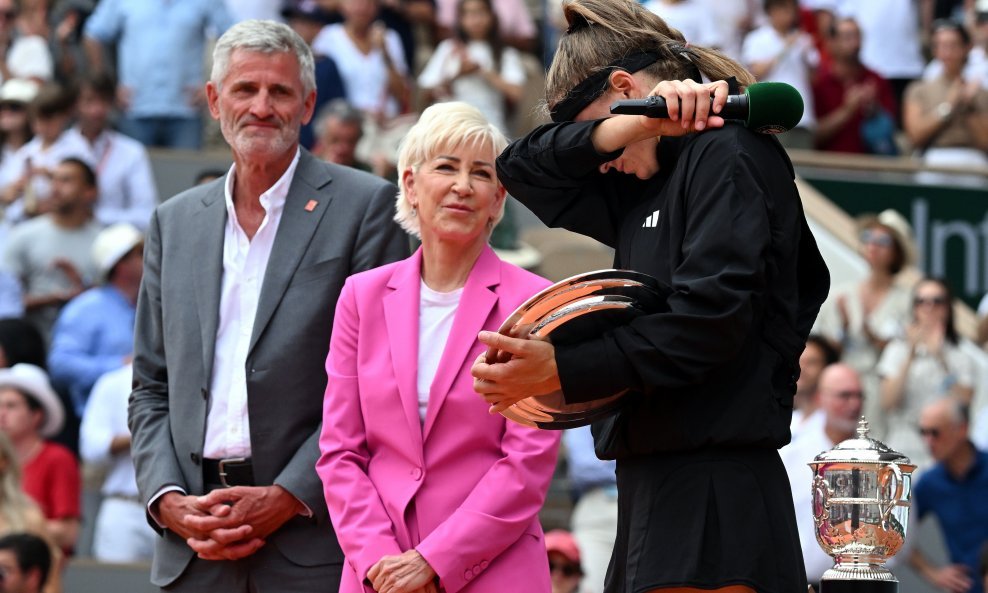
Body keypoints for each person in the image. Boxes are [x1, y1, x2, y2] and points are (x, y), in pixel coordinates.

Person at [473, 2, 830, 593]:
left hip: (717, 489)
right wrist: (631, 125)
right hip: (653, 486)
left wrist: (564, 368)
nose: (601, 161)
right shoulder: (641, 170)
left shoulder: (728, 153)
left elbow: (709, 321)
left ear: (623, 86)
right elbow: (521, 167)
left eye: (595, 130)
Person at [128, 20, 408, 591]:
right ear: (213, 100)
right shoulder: (173, 221)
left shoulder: (366, 206)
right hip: (194, 541)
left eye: (279, 92)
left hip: (311, 537)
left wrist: (289, 495)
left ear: (307, 105)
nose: (262, 106)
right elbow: (152, 385)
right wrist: (167, 501)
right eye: (244, 89)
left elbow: (376, 383)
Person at [317, 101, 559, 593]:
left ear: (498, 199)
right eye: (446, 167)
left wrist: (434, 561)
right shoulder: (360, 297)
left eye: (481, 174)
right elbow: (339, 452)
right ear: (410, 185)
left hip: (494, 570)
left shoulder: (533, 302)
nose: (463, 186)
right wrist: (380, 560)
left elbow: (526, 464)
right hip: (377, 576)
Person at [814, 209, 914, 441]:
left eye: (883, 240)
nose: (873, 245)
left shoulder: (907, 300)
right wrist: (844, 330)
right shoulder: (841, 295)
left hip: (885, 393)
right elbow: (825, 351)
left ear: (896, 252)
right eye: (868, 237)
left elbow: (905, 349)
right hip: (843, 389)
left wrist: (872, 336)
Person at [83, 0, 234, 150]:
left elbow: (234, 37)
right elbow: (93, 35)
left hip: (185, 111)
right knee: (133, 170)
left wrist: (217, 83)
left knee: (184, 171)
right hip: (135, 108)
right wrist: (108, 87)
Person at [878, 277, 976, 471]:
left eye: (937, 301)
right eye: (921, 301)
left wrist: (940, 358)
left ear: (947, 308)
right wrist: (910, 355)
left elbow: (965, 402)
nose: (928, 307)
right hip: (904, 440)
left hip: (945, 444)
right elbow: (888, 402)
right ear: (914, 308)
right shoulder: (897, 350)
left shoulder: (960, 355)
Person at [780, 363, 864, 589]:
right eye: (844, 396)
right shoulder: (792, 456)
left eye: (859, 395)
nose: (854, 404)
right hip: (802, 583)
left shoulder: (877, 459)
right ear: (820, 399)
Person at [0, 157, 102, 343]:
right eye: (53, 179)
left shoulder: (103, 241)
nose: (55, 188)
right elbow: (6, 301)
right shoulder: (22, 235)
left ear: (89, 191)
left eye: (66, 181)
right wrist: (52, 300)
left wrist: (83, 289)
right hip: (30, 349)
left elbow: (117, 301)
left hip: (87, 347)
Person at [47, 223, 143, 417]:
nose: (149, 258)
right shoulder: (86, 308)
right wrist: (121, 365)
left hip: (144, 416)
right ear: (120, 264)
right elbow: (61, 364)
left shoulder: (151, 303)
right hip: (100, 422)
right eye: (140, 254)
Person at [910, 398, 988, 593]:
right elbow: (895, 533)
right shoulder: (930, 482)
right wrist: (933, 573)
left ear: (961, 429)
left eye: (935, 432)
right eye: (923, 432)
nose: (928, 441)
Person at [0, 364, 78, 556]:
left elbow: (68, 532)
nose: (2, 414)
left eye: (11, 406)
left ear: (37, 415)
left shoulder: (58, 458)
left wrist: (14, 525)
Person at [79, 363, 154, 563]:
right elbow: (91, 448)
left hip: (183, 504)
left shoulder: (190, 372)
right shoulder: (113, 382)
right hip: (126, 504)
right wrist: (148, 434)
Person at [63, 72, 157, 230]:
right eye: (89, 101)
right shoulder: (58, 148)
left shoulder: (132, 152)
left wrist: (96, 217)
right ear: (74, 106)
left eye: (104, 101)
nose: (97, 110)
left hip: (114, 246)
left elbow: (147, 215)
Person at [418, 0, 526, 137]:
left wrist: (481, 71)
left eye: (480, 13)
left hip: (489, 125)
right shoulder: (448, 48)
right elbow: (426, 92)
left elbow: (517, 93)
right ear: (460, 19)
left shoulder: (505, 53)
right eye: (468, 14)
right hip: (450, 125)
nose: (475, 19)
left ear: (491, 16)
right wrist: (458, 74)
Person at [903, 19, 988, 169]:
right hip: (933, 159)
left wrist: (969, 106)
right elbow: (915, 137)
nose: (947, 52)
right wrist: (948, 107)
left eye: (953, 45)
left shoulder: (981, 93)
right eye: (941, 46)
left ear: (966, 48)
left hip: (974, 162)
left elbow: (985, 142)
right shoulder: (919, 90)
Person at [812, 17, 898, 154]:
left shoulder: (876, 80)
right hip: (828, 166)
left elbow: (892, 130)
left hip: (871, 167)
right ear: (831, 43)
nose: (855, 43)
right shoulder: (819, 83)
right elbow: (812, 135)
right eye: (848, 37)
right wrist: (847, 111)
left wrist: (874, 109)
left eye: (858, 36)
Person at [741, 0, 819, 149]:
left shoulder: (803, 39)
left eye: (792, 10)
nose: (790, 15)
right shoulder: (757, 38)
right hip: (772, 115)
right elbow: (755, 73)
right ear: (772, 11)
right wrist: (785, 48)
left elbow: (814, 79)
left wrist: (805, 53)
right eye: (785, 10)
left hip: (804, 117)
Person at [564, 425, 615, 593]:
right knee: (590, 587)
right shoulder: (583, 411)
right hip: (597, 510)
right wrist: (633, 462)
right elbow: (584, 468)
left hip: (649, 503)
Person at [790, 334, 840, 441]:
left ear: (828, 368)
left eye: (811, 362)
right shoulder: (790, 420)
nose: (801, 368)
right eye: (798, 361)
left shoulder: (837, 421)